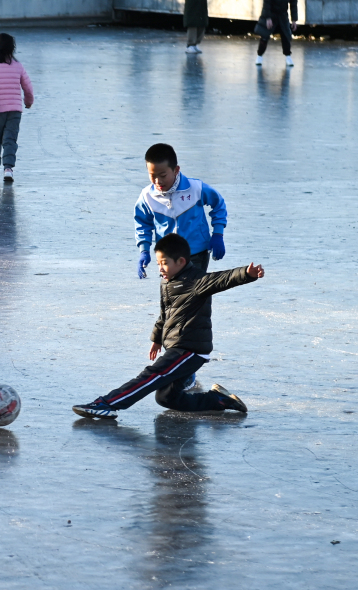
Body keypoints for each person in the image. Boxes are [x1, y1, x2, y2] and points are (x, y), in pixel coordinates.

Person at [72, 233, 264, 420]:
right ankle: (218, 400)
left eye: (164, 263)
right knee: (165, 397)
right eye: (158, 264)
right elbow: (165, 313)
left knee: (153, 374)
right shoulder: (167, 283)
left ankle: (108, 403)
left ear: (180, 262)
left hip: (190, 349)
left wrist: (246, 274)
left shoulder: (196, 281)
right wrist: (157, 338)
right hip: (176, 347)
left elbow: (221, 279)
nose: (160, 268)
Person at [135, 143, 227, 279]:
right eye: (152, 175)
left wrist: (218, 234)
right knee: (172, 294)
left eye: (163, 175)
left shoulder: (196, 189)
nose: (157, 181)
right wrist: (144, 250)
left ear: (176, 170)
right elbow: (142, 224)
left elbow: (219, 204)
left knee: (195, 293)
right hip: (166, 257)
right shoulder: (147, 196)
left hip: (196, 253)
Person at [0, 33, 34, 183]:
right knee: (10, 139)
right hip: (15, 110)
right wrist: (28, 101)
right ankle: (8, 169)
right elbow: (28, 87)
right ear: (12, 48)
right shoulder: (18, 67)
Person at [255, 0, 298, 67]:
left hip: (282, 15)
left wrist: (294, 20)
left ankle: (288, 56)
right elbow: (267, 2)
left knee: (286, 36)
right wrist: (268, 18)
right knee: (265, 36)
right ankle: (259, 56)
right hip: (271, 14)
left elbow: (293, 4)